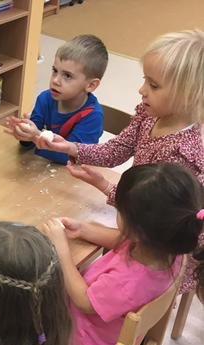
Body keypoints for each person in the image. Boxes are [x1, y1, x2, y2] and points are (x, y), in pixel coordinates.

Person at [35, 29, 204, 294]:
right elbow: (117, 149)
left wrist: (106, 188)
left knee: (76, 278)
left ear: (189, 96)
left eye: (154, 85)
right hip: (139, 221)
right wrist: (72, 147)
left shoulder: (178, 158)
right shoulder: (150, 114)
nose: (141, 90)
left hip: (162, 254)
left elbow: (156, 226)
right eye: (145, 80)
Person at [42, 163, 204, 345]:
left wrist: (61, 251)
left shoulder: (129, 283)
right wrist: (84, 229)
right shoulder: (170, 250)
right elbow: (124, 240)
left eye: (119, 211)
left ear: (138, 231)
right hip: (109, 334)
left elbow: (84, 301)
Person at [4, 34, 107, 164]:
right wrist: (24, 133)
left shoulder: (92, 116)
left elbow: (71, 158)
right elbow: (29, 145)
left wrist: (36, 136)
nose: (56, 80)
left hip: (69, 177)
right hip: (39, 167)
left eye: (67, 76)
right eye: (55, 71)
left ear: (90, 85)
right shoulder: (45, 99)